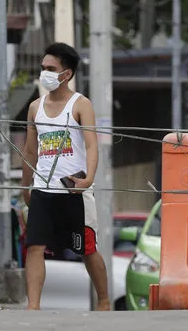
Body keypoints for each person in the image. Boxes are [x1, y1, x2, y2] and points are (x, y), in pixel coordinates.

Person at [20, 42, 110, 311]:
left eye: (51, 68)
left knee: (86, 249)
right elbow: (29, 150)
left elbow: (92, 145)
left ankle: (104, 301)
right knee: (35, 246)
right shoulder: (35, 107)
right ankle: (33, 307)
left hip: (73, 190)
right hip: (42, 189)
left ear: (66, 74)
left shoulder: (80, 104)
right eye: (43, 68)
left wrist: (88, 179)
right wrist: (25, 186)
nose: (45, 73)